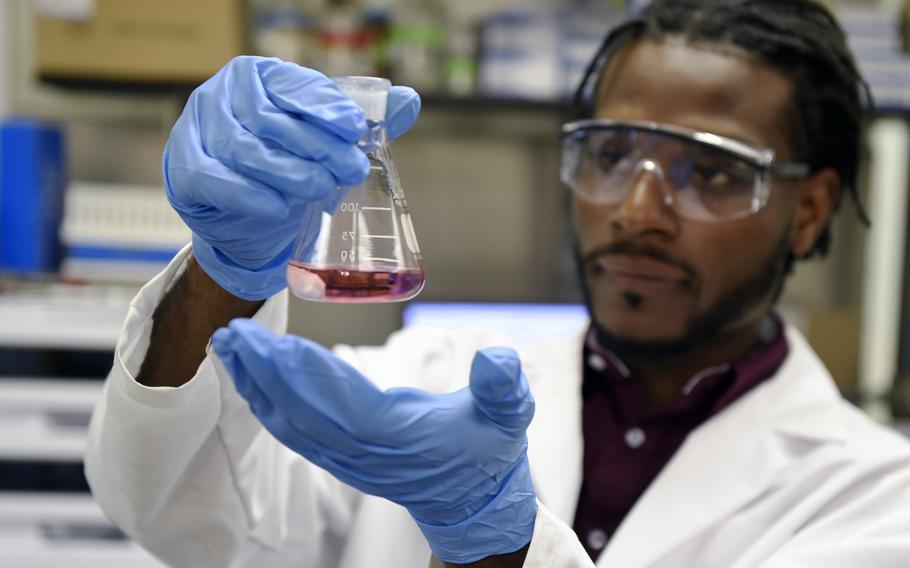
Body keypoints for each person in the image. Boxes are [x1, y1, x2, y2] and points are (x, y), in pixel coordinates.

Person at [85, 1, 910, 567]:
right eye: (613, 154)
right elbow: (180, 507)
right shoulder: (432, 381)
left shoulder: (877, 500)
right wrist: (225, 269)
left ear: (809, 212)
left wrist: (494, 544)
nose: (637, 209)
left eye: (714, 173)